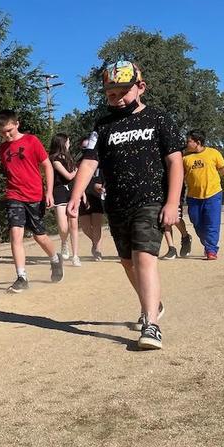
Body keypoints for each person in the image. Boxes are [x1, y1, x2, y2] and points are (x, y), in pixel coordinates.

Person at [68, 60, 184, 351]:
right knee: (127, 261)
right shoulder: (103, 126)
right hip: (117, 204)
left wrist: (172, 202)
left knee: (144, 257)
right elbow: (89, 162)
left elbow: (175, 162)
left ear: (140, 87)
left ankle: (151, 324)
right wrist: (76, 194)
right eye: (111, 94)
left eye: (123, 92)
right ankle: (153, 303)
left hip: (150, 200)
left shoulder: (158, 118)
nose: (117, 98)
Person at [0, 110, 64, 292]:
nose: (6, 135)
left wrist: (49, 192)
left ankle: (55, 259)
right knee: (15, 233)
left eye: (9, 130)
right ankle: (21, 277)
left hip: (35, 195)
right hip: (14, 195)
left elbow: (47, 165)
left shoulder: (32, 141)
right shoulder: (2, 149)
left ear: (17, 124)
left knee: (39, 236)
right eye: (2, 132)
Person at [182, 131, 224, 260]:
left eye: (189, 141)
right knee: (197, 223)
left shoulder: (213, 153)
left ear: (198, 142)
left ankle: (211, 250)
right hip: (193, 198)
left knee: (212, 223)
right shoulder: (185, 158)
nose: (186, 143)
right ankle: (207, 243)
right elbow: (179, 177)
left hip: (213, 194)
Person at [48, 133, 81, 266]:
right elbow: (68, 176)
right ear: (62, 143)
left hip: (72, 191)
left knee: (74, 224)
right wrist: (78, 169)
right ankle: (64, 242)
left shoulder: (70, 158)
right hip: (59, 191)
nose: (69, 143)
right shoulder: (55, 160)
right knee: (63, 226)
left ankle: (75, 256)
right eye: (68, 141)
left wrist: (81, 192)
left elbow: (75, 179)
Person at [76, 151, 105, 261]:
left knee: (97, 225)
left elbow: (105, 180)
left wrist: (102, 187)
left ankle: (97, 249)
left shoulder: (101, 163)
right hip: (82, 195)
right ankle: (95, 241)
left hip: (97, 196)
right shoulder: (80, 161)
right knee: (85, 226)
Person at [159, 183, 193, 259]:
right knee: (165, 219)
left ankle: (185, 236)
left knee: (176, 218)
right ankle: (171, 249)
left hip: (175, 188)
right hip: (161, 188)